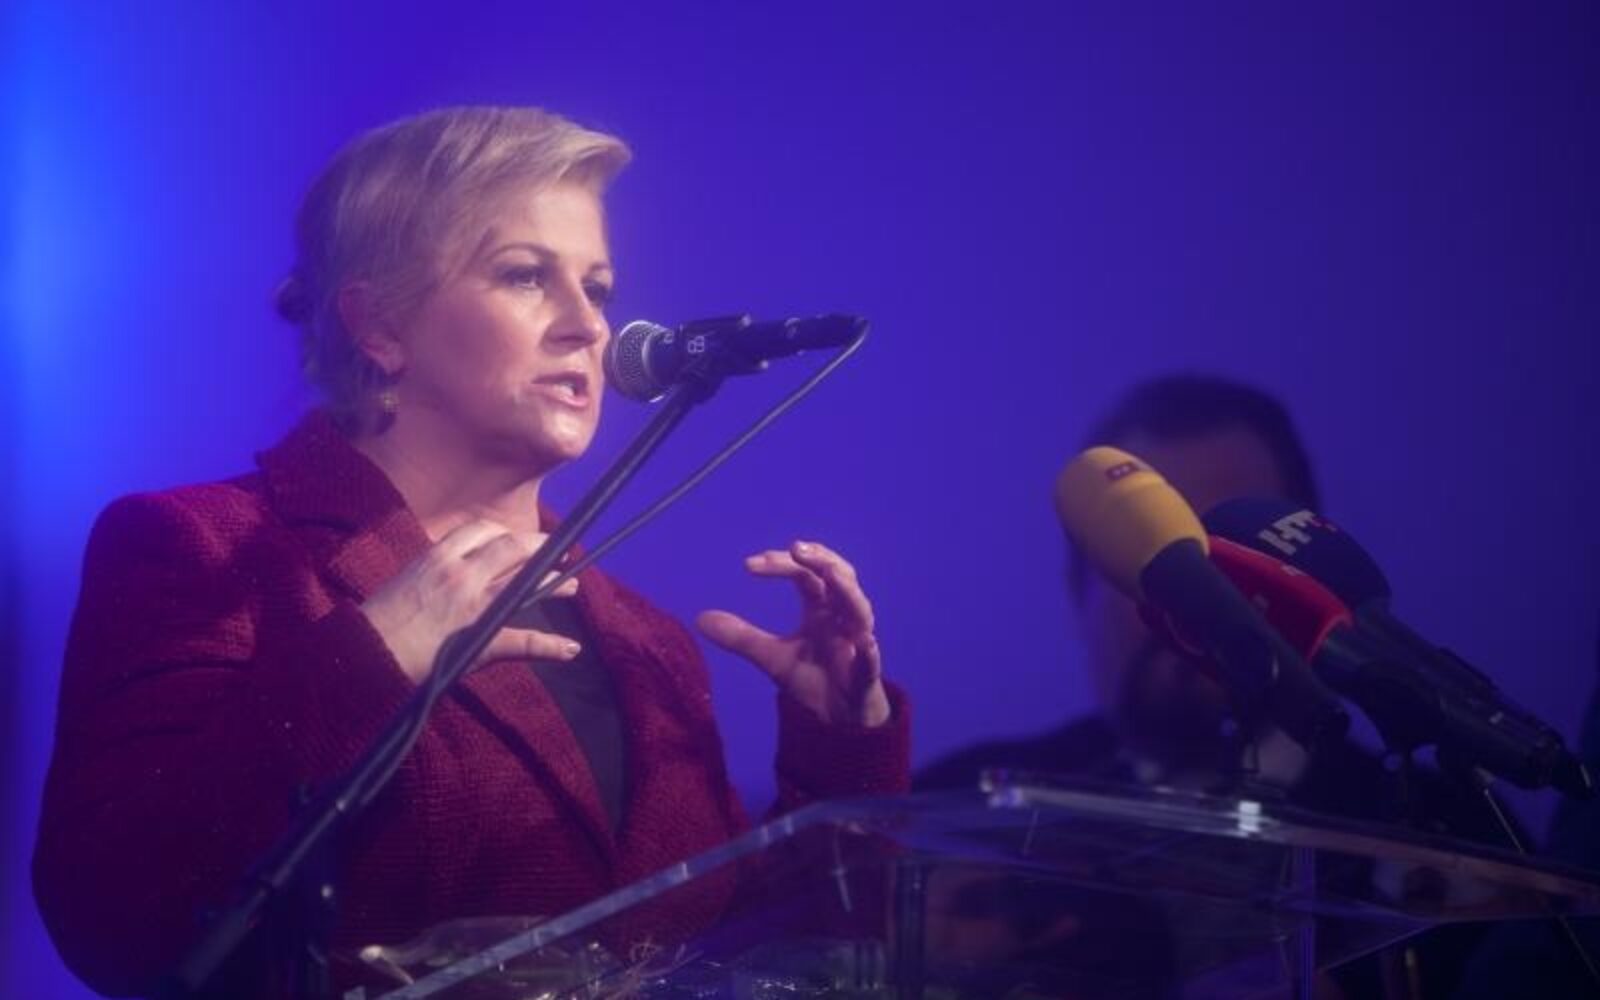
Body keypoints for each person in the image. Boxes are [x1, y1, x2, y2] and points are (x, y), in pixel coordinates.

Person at [33, 106, 909, 997]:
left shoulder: (651, 644)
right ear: (379, 326)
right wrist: (366, 663)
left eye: (598, 288)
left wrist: (843, 747)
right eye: (526, 276)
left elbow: (740, 955)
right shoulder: (209, 549)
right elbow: (111, 912)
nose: (588, 327)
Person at [917, 373, 1517, 998]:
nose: (1189, 593)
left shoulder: (1447, 832)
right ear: (1078, 592)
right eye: (1147, 551)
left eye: (1220, 551)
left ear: (1311, 586)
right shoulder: (960, 814)